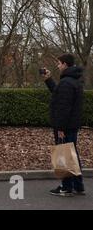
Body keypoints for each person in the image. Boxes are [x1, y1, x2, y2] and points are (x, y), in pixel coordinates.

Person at [41, 53, 85, 197]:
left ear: (65, 64)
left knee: (64, 155)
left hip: (65, 127)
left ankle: (66, 187)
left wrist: (60, 128)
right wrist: (48, 80)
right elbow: (58, 94)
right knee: (71, 154)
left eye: (59, 63)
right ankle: (78, 186)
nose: (57, 66)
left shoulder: (66, 82)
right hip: (71, 125)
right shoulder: (73, 81)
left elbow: (63, 107)